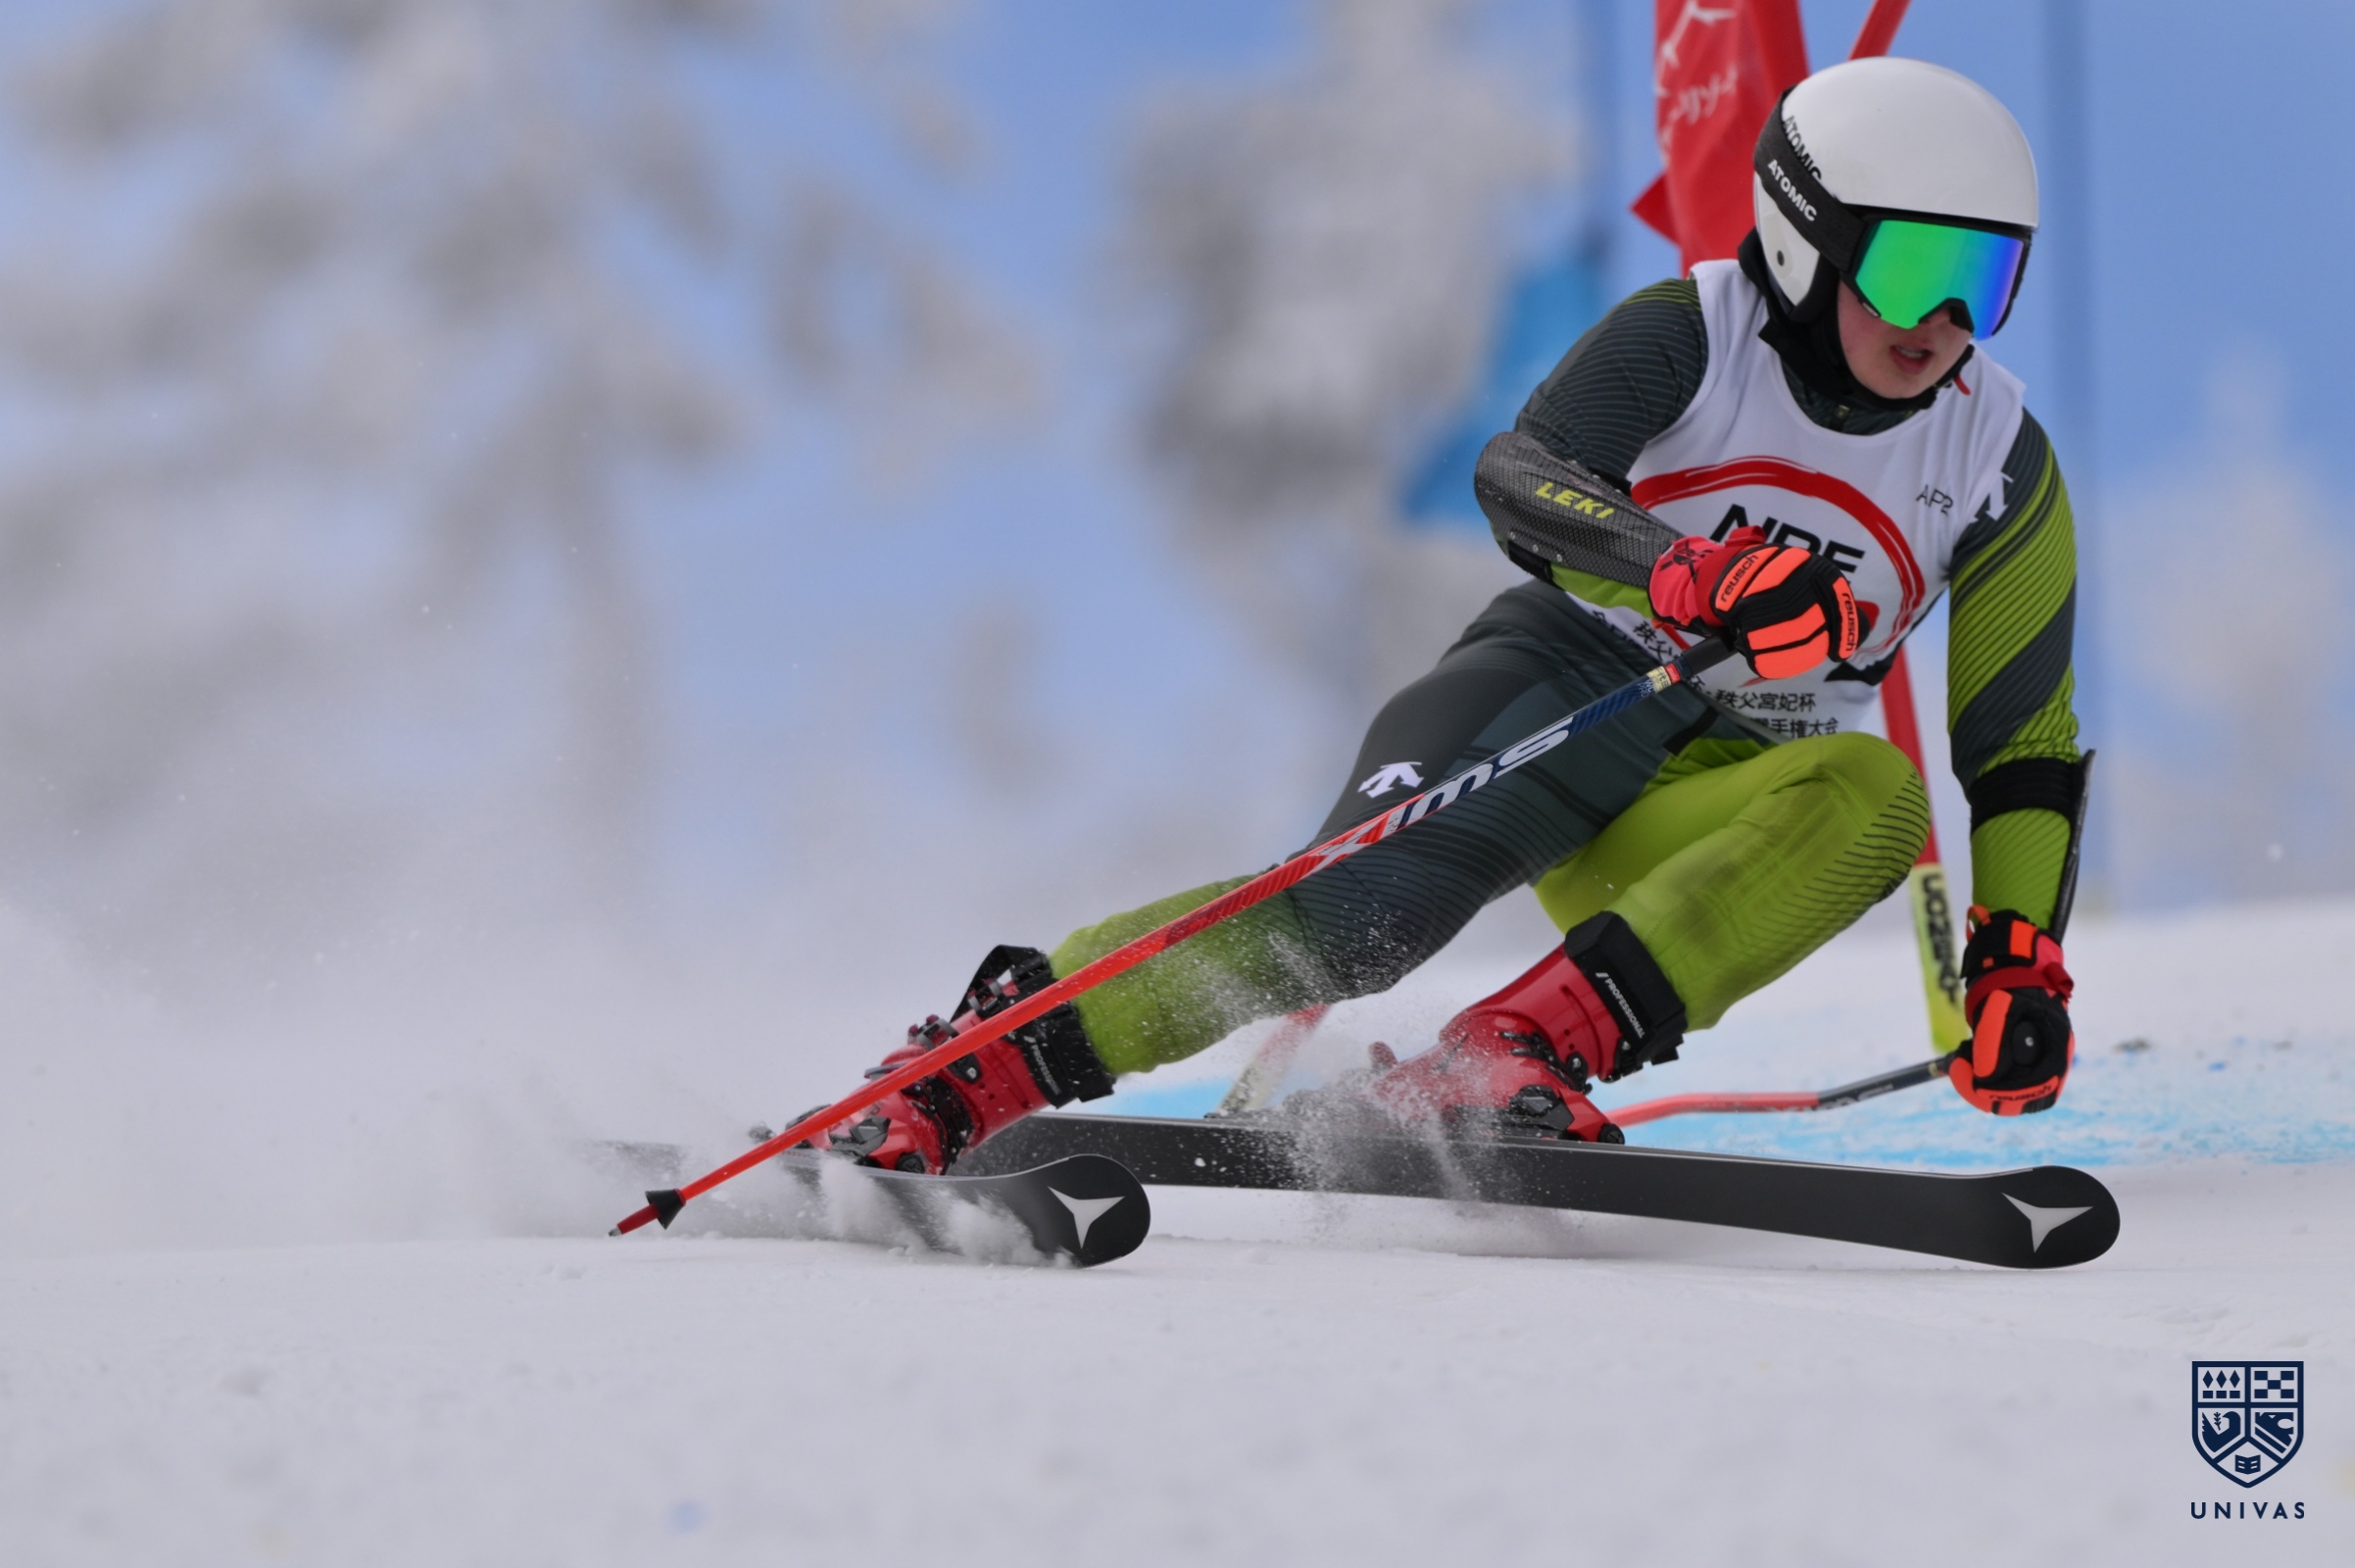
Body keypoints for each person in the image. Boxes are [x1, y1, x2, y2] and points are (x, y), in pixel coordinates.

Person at [813, 56, 2086, 1175]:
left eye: (1983, 279)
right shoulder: (1694, 335)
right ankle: (967, 1073)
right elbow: (1522, 474)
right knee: (1354, 928)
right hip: (1565, 693)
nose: (1944, 323)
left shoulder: (1996, 459)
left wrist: (2016, 958)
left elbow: (2021, 743)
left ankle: (1502, 1059)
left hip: (1720, 797)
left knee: (1875, 797)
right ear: (1809, 241)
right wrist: (1686, 573)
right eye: (1914, 268)